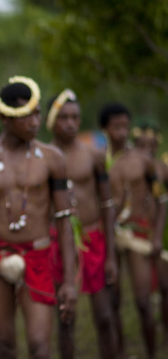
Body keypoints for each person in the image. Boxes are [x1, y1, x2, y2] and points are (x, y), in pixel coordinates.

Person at [0, 76, 77, 359]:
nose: (35, 121)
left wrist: (69, 280)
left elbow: (64, 220)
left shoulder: (52, 158)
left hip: (39, 255)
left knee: (40, 346)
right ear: (5, 117)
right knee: (4, 346)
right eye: (27, 115)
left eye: (38, 113)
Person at [46, 90, 118, 358]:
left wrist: (110, 255)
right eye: (63, 117)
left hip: (93, 239)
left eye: (75, 117)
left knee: (104, 315)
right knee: (66, 318)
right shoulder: (44, 159)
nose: (70, 123)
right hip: (58, 242)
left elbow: (107, 206)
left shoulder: (94, 155)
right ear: (51, 120)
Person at [101, 103, 166, 359]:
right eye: (116, 127)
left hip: (137, 234)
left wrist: (158, 235)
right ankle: (119, 353)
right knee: (113, 302)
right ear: (104, 128)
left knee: (142, 301)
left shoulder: (143, 161)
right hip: (108, 237)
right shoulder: (99, 161)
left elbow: (161, 200)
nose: (122, 132)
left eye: (126, 126)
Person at [132, 124, 168, 347]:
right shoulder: (130, 167)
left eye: (151, 145)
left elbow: (162, 200)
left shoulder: (161, 169)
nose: (147, 149)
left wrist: (158, 234)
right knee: (143, 296)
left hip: (160, 230)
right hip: (138, 233)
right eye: (141, 145)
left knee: (166, 287)